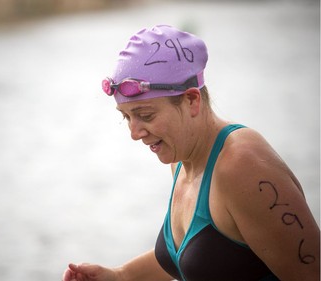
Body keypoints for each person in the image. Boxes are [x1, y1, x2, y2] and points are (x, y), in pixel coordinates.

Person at [62, 25, 320, 281]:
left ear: (192, 100)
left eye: (145, 115)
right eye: (126, 117)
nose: (134, 132)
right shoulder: (181, 158)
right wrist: (121, 275)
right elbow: (205, 258)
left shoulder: (242, 166)